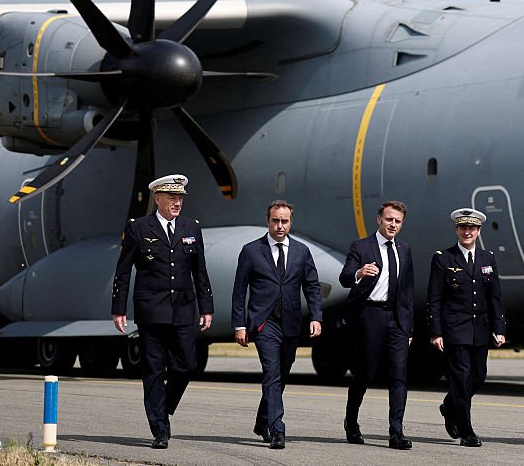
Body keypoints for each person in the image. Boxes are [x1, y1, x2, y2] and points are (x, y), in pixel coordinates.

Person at [111, 174, 213, 450]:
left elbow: (200, 271)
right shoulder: (138, 228)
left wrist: (207, 308)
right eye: (172, 197)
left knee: (188, 364)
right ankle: (160, 429)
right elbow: (123, 272)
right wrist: (118, 309)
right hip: (151, 310)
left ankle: (165, 404)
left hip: (183, 308)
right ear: (157, 198)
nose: (177, 202)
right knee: (153, 370)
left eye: (180, 197)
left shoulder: (192, 227)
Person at [231, 200, 323, 450]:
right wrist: (240, 325)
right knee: (271, 373)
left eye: (284, 221)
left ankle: (262, 421)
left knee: (281, 375)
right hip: (264, 324)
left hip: (292, 323)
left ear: (291, 222)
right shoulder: (251, 251)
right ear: (268, 221)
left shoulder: (302, 251)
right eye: (275, 221)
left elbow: (312, 286)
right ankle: (277, 430)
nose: (280, 226)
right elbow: (239, 292)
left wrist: (316, 316)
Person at [338, 200, 415, 450]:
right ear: (379, 220)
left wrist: (409, 327)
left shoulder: (404, 249)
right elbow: (344, 278)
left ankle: (396, 432)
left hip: (397, 318)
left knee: (399, 375)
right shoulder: (361, 246)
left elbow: (408, 291)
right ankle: (351, 421)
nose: (393, 224)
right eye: (389, 219)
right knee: (365, 373)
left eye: (398, 221)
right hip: (369, 315)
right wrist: (359, 273)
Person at [427, 207, 506, 447]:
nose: (467, 232)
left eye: (471, 228)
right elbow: (435, 298)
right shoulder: (443, 258)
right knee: (460, 379)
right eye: (463, 227)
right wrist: (436, 331)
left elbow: (495, 297)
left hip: (480, 328)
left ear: (479, 231)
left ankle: (449, 406)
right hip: (455, 329)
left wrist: (499, 327)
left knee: (479, 376)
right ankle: (466, 430)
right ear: (457, 230)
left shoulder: (487, 258)